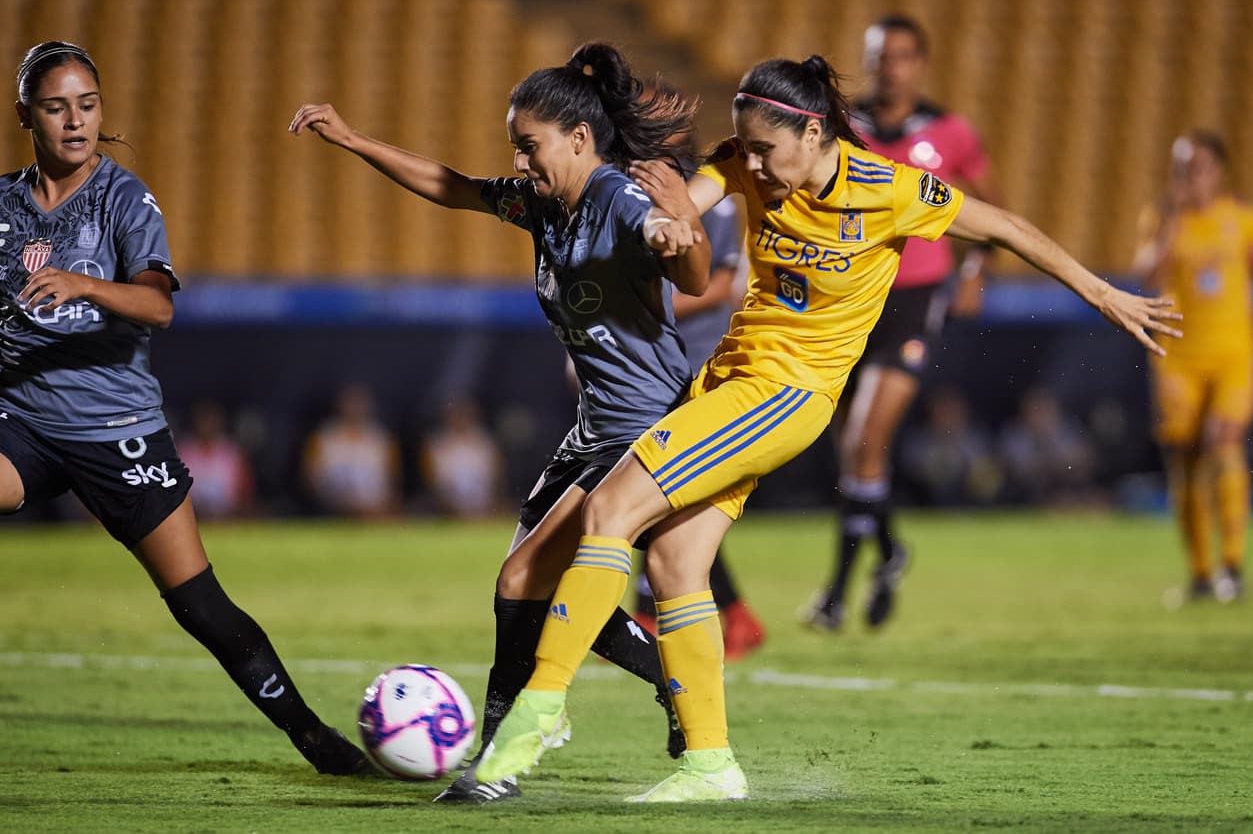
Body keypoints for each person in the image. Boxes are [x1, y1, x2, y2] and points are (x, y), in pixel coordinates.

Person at [476, 54, 1180, 802]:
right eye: (743, 148)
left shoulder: (888, 189)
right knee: (675, 564)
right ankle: (710, 766)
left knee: (612, 510)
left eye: (764, 150)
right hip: (722, 382)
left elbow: (1000, 225)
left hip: (786, 394)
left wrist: (1105, 293)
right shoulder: (747, 165)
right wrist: (676, 209)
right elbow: (693, 204)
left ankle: (533, 715)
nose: (750, 163)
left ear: (812, 134)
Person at [290, 43, 707, 803]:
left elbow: (681, 258)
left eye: (528, 145)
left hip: (648, 430)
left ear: (579, 139)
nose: (518, 161)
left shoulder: (616, 199)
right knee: (529, 586)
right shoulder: (543, 205)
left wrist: (675, 235)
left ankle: (500, 758)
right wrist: (352, 141)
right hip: (595, 429)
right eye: (514, 145)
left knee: (521, 577)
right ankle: (669, 686)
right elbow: (451, 187)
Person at [0, 41, 369, 775]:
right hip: (25, 422)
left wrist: (84, 283)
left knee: (199, 605)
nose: (75, 120)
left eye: (88, 103)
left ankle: (312, 736)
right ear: (25, 116)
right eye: (56, 106)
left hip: (117, 431)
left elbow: (158, 306)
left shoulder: (123, 198)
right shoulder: (4, 204)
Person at [802, 14, 1002, 632]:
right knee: (852, 448)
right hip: (850, 297)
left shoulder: (950, 133)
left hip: (913, 298)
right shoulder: (843, 128)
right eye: (880, 56)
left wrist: (976, 271)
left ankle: (836, 593)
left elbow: (988, 209)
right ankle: (889, 552)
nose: (890, 67)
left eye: (902, 56)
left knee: (865, 439)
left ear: (921, 62)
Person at [1133, 130, 1253, 603]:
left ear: (1220, 171)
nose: (1190, 179)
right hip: (1177, 357)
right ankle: (1199, 573)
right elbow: (1147, 275)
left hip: (1235, 354)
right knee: (1186, 457)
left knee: (1225, 440)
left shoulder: (1246, 221)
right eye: (1182, 170)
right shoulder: (1161, 219)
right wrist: (1171, 223)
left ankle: (1232, 566)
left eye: (1198, 169)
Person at [631, 195, 767, 661]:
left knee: (655, 491)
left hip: (697, 364)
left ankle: (653, 611)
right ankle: (731, 614)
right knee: (657, 494)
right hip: (647, 363)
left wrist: (636, 312)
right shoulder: (625, 194)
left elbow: (719, 284)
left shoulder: (709, 201)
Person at [301, 383, 401, 518]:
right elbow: (310, 480)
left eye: (359, 403)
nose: (355, 408)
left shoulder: (382, 439)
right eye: (350, 403)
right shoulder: (323, 438)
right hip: (332, 508)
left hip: (375, 509)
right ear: (339, 405)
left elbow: (393, 482)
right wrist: (339, 501)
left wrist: (378, 504)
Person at [421, 397, 504, 519]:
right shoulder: (436, 445)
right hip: (446, 510)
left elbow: (498, 481)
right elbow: (432, 485)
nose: (460, 418)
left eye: (464, 413)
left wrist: (488, 506)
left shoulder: (486, 443)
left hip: (485, 508)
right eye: (456, 413)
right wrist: (452, 508)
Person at [176, 399, 255, 519]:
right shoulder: (183, 451)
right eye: (204, 420)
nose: (208, 425)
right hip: (192, 516)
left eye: (211, 420)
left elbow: (246, 494)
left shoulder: (233, 453)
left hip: (228, 517)